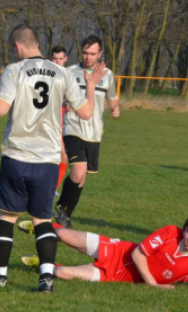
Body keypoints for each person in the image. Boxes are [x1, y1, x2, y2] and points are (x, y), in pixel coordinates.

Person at [0, 24, 107, 293]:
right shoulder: (61, 73)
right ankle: (46, 279)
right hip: (47, 159)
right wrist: (91, 87)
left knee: (7, 216)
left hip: (16, 155)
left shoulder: (14, 70)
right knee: (42, 219)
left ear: (18, 47)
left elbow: (0, 109)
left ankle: (0, 277)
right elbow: (86, 112)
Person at [22, 215, 188, 291]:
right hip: (117, 251)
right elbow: (138, 254)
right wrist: (154, 285)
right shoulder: (172, 232)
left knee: (62, 273)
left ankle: (42, 262)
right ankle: (40, 227)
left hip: (114, 275)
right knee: (61, 234)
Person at [55, 35, 120, 228]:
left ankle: (65, 214)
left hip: (94, 133)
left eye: (92, 53)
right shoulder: (69, 72)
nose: (88, 57)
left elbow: (113, 98)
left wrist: (114, 108)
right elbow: (56, 97)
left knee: (81, 179)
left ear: (100, 53)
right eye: (85, 52)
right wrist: (67, 103)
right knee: (78, 172)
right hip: (72, 129)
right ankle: (60, 210)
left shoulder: (107, 75)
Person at [51, 46, 68, 193]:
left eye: (60, 59)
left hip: (66, 124)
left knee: (63, 156)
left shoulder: (69, 76)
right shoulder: (46, 77)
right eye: (55, 59)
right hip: (48, 124)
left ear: (65, 59)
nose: (57, 62)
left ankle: (53, 188)